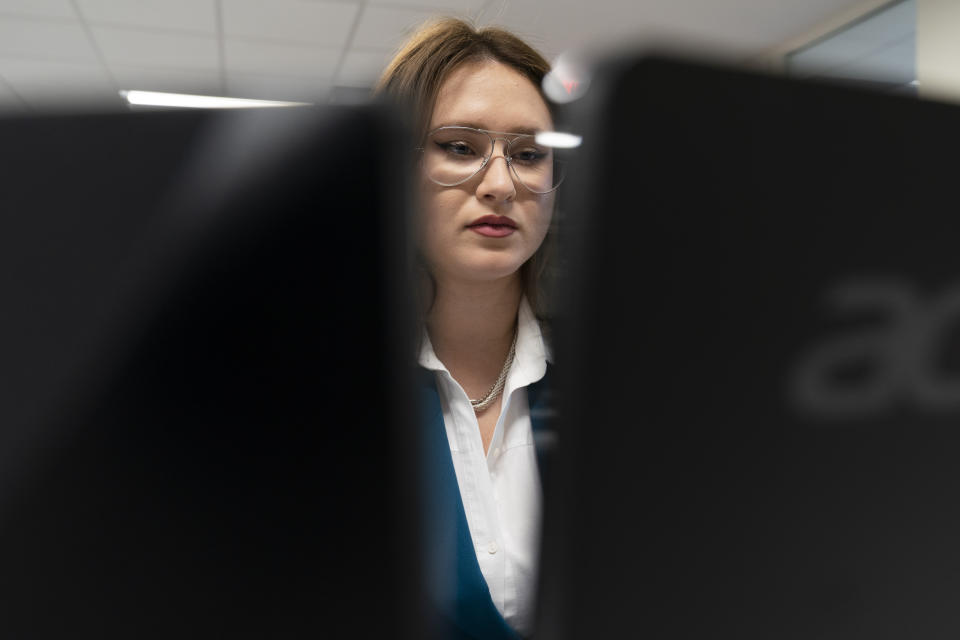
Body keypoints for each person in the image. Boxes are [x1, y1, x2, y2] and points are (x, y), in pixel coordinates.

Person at [377, 17, 562, 640]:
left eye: (530, 154)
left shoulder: (623, 385)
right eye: (459, 147)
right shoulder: (317, 388)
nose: (502, 184)